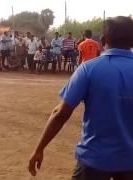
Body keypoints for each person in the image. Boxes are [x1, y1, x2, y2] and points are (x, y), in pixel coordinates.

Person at [28, 16, 133, 180]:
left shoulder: (88, 69)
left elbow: (61, 113)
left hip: (94, 159)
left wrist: (39, 148)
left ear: (104, 40)